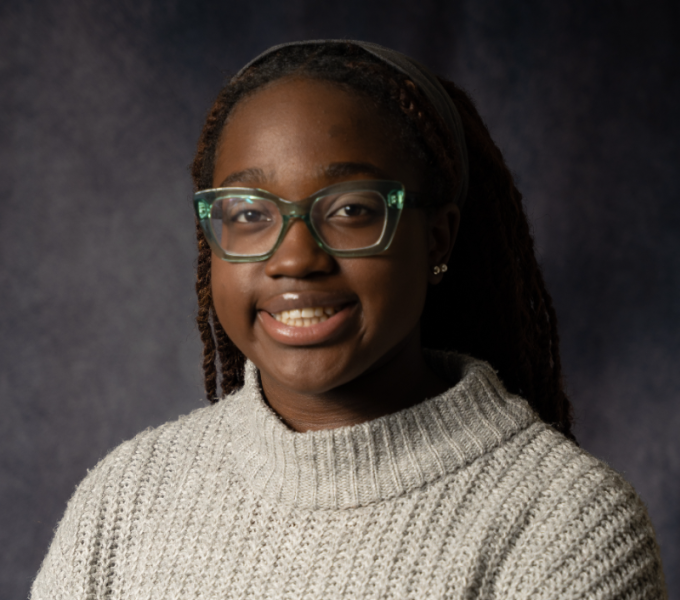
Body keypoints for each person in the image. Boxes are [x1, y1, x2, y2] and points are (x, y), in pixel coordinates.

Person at [31, 40, 667, 599]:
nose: (295, 258)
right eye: (250, 214)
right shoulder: (130, 496)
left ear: (438, 238)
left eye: (352, 210)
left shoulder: (564, 524)